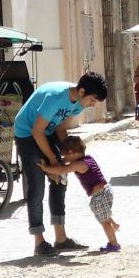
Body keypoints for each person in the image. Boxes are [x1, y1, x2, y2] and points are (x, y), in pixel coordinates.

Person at [14, 72, 108, 256]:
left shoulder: (78, 104)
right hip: (27, 133)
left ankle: (61, 239)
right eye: (93, 99)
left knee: (60, 178)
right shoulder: (55, 98)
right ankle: (39, 241)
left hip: (45, 132)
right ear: (82, 91)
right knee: (37, 185)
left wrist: (71, 156)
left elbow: (59, 128)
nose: (93, 104)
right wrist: (53, 161)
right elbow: (37, 131)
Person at [38, 136, 120, 253]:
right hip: (106, 191)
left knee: (104, 221)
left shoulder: (79, 165)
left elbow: (62, 170)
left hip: (100, 195)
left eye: (65, 155)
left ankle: (114, 244)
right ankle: (114, 224)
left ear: (71, 152)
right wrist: (62, 160)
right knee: (103, 213)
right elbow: (67, 162)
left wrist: (46, 168)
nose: (64, 157)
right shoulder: (88, 158)